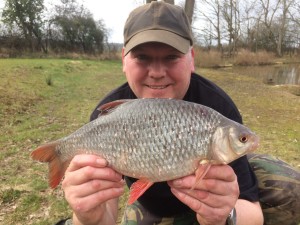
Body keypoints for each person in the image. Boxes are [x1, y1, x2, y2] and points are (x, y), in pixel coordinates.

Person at [57, 2, 299, 225]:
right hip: (153, 206)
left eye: (171, 57)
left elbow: (251, 213)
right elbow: (104, 217)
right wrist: (87, 215)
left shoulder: (217, 107)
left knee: (290, 186)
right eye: (142, 58)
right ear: (123, 60)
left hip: (215, 201)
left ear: (191, 59)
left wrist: (226, 214)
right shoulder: (108, 114)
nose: (157, 72)